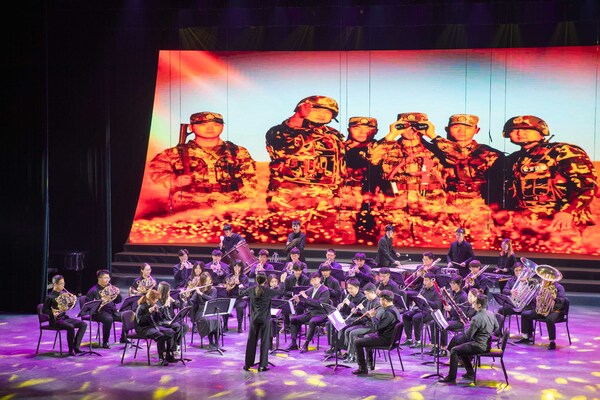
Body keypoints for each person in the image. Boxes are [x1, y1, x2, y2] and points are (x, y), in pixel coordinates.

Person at [499, 115, 598, 252]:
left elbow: (586, 185)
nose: (520, 133)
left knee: (559, 259)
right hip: (524, 223)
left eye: (526, 129)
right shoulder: (513, 159)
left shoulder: (563, 151)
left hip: (559, 221)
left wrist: (567, 211)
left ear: (541, 131)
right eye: (514, 130)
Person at [146, 111, 257, 214]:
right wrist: (174, 181)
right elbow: (155, 171)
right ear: (191, 127)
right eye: (203, 124)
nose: (210, 128)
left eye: (216, 124)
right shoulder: (174, 153)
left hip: (230, 205)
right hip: (188, 206)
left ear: (222, 127)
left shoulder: (237, 152)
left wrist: (245, 203)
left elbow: (250, 179)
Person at [421, 114, 503, 243]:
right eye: (456, 127)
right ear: (447, 129)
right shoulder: (434, 151)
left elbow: (460, 157)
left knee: (480, 244)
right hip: (444, 206)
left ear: (477, 130)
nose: (461, 131)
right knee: (443, 244)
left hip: (477, 206)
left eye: (468, 127)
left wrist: (434, 137)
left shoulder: (489, 153)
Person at [369, 113, 447, 245]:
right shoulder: (387, 148)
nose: (411, 130)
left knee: (431, 246)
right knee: (391, 247)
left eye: (416, 126)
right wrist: (392, 135)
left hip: (430, 209)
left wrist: (432, 135)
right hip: (393, 209)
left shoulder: (436, 149)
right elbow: (371, 158)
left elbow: (459, 156)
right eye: (405, 126)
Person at [265, 95, 346, 211]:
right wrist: (298, 117)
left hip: (327, 198)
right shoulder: (281, 131)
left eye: (327, 112)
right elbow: (284, 139)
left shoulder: (334, 135)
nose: (322, 114)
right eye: (316, 110)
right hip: (290, 197)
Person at [439, 294, 499, 383]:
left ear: (479, 305)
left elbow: (468, 336)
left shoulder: (476, 318)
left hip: (479, 346)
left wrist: (467, 326)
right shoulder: (491, 314)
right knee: (462, 348)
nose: (473, 304)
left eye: (475, 303)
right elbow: (496, 328)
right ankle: (470, 372)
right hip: (487, 345)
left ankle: (451, 377)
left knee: (454, 350)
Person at [342, 117, 380, 242]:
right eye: (357, 128)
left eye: (368, 128)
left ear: (376, 131)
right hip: (346, 199)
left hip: (374, 199)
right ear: (349, 129)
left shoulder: (384, 150)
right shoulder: (337, 148)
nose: (363, 132)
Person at [352, 290, 402, 375]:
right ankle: (369, 363)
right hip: (389, 337)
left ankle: (362, 369)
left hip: (385, 339)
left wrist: (372, 316)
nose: (379, 301)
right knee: (366, 337)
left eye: (380, 299)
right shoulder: (394, 309)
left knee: (357, 342)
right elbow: (382, 324)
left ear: (385, 300)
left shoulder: (388, 313)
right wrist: (374, 316)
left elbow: (376, 328)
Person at [241, 273, 283, 372]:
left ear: (256, 280)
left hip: (254, 319)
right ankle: (262, 365)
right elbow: (281, 292)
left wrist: (241, 287)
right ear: (265, 281)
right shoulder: (268, 291)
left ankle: (247, 364)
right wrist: (282, 281)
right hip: (264, 319)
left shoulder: (251, 290)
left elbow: (241, 293)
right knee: (264, 342)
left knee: (251, 341)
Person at [516, 276, 567, 350]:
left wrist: (555, 298)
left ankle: (552, 342)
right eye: (544, 278)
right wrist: (536, 298)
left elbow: (562, 301)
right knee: (525, 314)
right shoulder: (543, 286)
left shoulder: (559, 287)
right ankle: (525, 337)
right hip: (543, 310)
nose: (545, 279)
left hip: (556, 311)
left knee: (549, 319)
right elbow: (535, 296)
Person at [43, 275, 87, 356]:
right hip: (55, 321)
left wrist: (73, 301)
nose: (63, 286)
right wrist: (54, 311)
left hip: (64, 318)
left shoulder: (63, 294)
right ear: (55, 284)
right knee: (70, 327)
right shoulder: (50, 297)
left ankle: (76, 347)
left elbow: (69, 306)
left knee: (83, 324)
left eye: (63, 283)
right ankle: (71, 350)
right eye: (61, 284)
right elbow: (44, 310)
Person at [287, 272, 331, 353]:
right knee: (293, 319)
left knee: (312, 322)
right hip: (310, 313)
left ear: (319, 279)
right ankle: (293, 344)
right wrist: (299, 301)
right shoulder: (310, 290)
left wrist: (306, 297)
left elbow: (319, 304)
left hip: (321, 314)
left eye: (315, 279)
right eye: (312, 280)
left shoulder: (325, 290)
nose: (314, 282)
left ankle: (306, 344)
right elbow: (306, 305)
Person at [339, 283, 382, 363]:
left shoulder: (378, 303)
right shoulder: (369, 300)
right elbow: (365, 314)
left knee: (352, 333)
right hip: (366, 324)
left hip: (372, 326)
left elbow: (373, 317)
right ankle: (350, 353)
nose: (365, 296)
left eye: (366, 294)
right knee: (347, 330)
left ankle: (353, 355)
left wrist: (362, 309)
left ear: (372, 292)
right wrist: (357, 311)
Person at [135, 289, 177, 366]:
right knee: (160, 336)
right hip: (144, 329)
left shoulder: (152, 305)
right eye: (156, 299)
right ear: (151, 299)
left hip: (153, 326)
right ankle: (161, 358)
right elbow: (140, 322)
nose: (157, 301)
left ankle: (169, 354)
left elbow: (158, 320)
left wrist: (157, 312)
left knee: (171, 332)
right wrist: (149, 312)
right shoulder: (141, 307)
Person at [401, 273, 443, 348]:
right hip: (421, 310)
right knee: (406, 315)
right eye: (424, 280)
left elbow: (437, 305)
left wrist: (425, 300)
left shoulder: (437, 291)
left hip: (432, 312)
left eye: (426, 280)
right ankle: (409, 339)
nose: (424, 282)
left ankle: (418, 341)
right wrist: (417, 301)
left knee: (416, 318)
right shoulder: (423, 289)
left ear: (432, 281)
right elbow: (420, 301)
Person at [85, 269, 124, 349]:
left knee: (126, 316)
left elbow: (118, 301)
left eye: (108, 278)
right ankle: (105, 342)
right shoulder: (93, 291)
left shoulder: (110, 288)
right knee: (108, 319)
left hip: (111, 311)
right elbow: (89, 307)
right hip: (99, 313)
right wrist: (101, 301)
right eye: (105, 278)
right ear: (99, 279)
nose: (108, 280)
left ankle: (123, 338)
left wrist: (117, 293)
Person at [190, 272, 220, 350]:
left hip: (211, 309)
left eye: (209, 280)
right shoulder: (198, 289)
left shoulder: (213, 289)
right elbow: (192, 301)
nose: (208, 282)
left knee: (218, 319)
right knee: (208, 320)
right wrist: (186, 296)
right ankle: (211, 342)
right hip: (201, 311)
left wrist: (201, 294)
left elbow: (212, 299)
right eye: (206, 281)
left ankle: (217, 341)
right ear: (202, 281)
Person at [156, 281, 189, 353]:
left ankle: (176, 344)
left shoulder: (168, 298)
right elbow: (158, 314)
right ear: (164, 291)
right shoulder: (157, 300)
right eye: (168, 291)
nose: (169, 292)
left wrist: (174, 301)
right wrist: (165, 306)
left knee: (185, 326)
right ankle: (172, 348)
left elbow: (178, 306)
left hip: (171, 319)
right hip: (162, 321)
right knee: (177, 327)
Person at [223, 260, 250, 333]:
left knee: (239, 307)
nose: (237, 268)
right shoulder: (229, 276)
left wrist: (239, 283)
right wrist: (227, 287)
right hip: (230, 297)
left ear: (241, 267)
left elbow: (245, 290)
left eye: (238, 267)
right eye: (235, 266)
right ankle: (225, 325)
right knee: (224, 305)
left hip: (240, 298)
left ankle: (239, 326)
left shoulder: (244, 277)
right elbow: (224, 285)